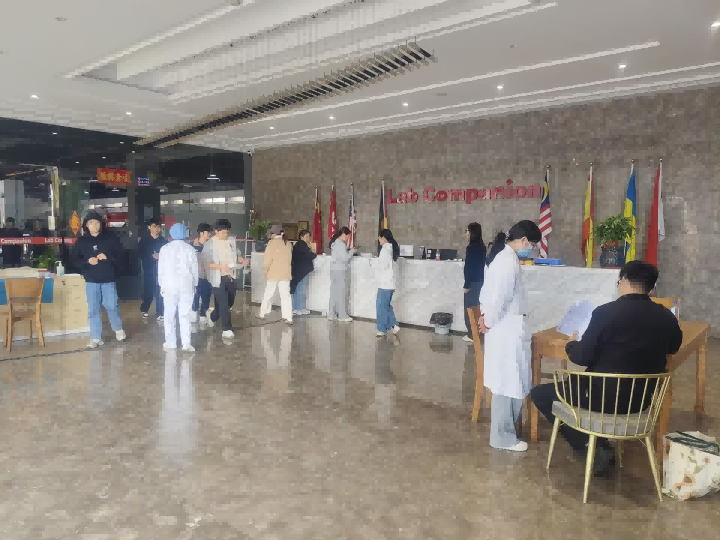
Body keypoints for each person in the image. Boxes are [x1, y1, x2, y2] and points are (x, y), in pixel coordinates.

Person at [530, 260, 683, 474]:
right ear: (651, 288)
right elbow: (674, 347)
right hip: (639, 402)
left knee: (539, 394)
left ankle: (592, 447)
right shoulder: (666, 316)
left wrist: (571, 344)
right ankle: (599, 444)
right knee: (577, 386)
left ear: (625, 281)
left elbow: (582, 357)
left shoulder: (605, 312)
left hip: (600, 398)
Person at [477, 220, 541, 452]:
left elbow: (491, 296)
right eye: (531, 245)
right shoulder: (506, 262)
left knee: (512, 380)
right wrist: (488, 321)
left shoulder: (506, 258)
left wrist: (487, 319)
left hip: (508, 327)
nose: (531, 249)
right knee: (507, 382)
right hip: (505, 329)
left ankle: (507, 430)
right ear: (523, 241)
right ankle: (502, 437)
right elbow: (498, 299)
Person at [72, 211, 127, 349]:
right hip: (91, 281)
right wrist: (87, 261)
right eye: (91, 223)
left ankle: (118, 328)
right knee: (93, 310)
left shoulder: (111, 239)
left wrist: (107, 257)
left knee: (111, 306)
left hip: (108, 279)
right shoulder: (81, 241)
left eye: (96, 222)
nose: (94, 225)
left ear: (101, 224)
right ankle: (96, 337)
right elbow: (74, 261)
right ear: (86, 225)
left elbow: (122, 257)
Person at [201, 219, 249, 339]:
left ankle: (212, 316)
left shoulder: (231, 240)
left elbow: (237, 254)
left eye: (227, 231)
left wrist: (242, 260)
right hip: (218, 278)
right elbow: (207, 263)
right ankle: (227, 329)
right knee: (223, 303)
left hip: (231, 276)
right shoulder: (209, 244)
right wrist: (221, 267)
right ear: (216, 231)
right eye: (223, 232)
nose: (226, 234)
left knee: (229, 302)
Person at [158, 223, 199, 352]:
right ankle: (186, 343)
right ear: (185, 234)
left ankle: (171, 342)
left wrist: (161, 285)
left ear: (171, 234)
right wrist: (195, 284)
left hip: (169, 285)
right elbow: (194, 269)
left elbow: (161, 270)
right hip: (186, 285)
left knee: (169, 314)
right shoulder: (190, 249)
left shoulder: (164, 249)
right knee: (185, 314)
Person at [258, 225, 294, 325]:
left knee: (268, 294)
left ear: (273, 234)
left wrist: (265, 271)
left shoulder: (271, 243)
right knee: (286, 296)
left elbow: (267, 260)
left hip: (273, 273)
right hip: (285, 273)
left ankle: (262, 313)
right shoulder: (288, 243)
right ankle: (288, 317)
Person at [463, 222, 487, 343]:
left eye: (467, 231)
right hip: (480, 281)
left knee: (470, 308)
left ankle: (472, 335)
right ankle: (477, 333)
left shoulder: (472, 247)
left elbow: (469, 267)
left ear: (473, 232)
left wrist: (467, 284)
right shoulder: (482, 246)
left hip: (473, 283)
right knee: (477, 308)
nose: (466, 233)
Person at [138, 218, 167, 320]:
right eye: (154, 226)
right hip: (148, 269)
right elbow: (140, 254)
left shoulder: (163, 241)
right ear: (149, 227)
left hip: (161, 270)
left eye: (159, 227)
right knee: (148, 290)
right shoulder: (144, 241)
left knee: (160, 291)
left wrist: (161, 256)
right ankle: (145, 309)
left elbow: (168, 255)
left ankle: (160, 312)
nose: (157, 229)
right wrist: (151, 256)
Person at [375, 229, 400, 336]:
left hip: (385, 284)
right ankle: (394, 325)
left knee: (380, 306)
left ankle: (382, 329)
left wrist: (373, 263)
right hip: (390, 283)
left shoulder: (385, 249)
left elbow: (383, 266)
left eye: (379, 237)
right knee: (386, 306)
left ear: (383, 238)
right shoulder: (392, 248)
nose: (378, 240)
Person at [328, 226, 356, 322]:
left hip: (334, 270)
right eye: (348, 236)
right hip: (340, 270)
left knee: (334, 293)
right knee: (341, 293)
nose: (348, 238)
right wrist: (351, 252)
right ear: (343, 234)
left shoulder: (335, 243)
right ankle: (342, 315)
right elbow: (345, 258)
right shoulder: (340, 244)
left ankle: (332, 314)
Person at [290, 229, 317, 316]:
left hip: (297, 271)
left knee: (297, 290)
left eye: (309, 237)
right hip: (302, 271)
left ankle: (296, 308)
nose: (308, 239)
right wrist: (314, 252)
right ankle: (300, 308)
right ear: (302, 237)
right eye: (307, 237)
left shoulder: (297, 244)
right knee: (301, 290)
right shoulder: (302, 244)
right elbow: (310, 255)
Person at [190, 223, 213, 324]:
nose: (209, 234)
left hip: (208, 276)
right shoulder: (192, 246)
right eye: (208, 232)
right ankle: (194, 312)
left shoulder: (211, 246)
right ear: (201, 233)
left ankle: (203, 315)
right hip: (195, 276)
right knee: (195, 295)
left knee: (206, 296)